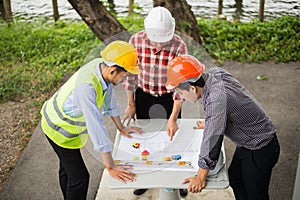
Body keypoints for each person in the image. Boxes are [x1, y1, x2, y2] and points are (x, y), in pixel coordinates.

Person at [166, 55, 280, 200]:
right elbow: (232, 104)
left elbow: (212, 140)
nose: (181, 97)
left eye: (181, 93)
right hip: (248, 142)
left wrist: (201, 176)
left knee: (256, 195)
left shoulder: (216, 100)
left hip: (260, 147)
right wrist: (212, 122)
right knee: (236, 179)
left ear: (193, 88)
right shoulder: (215, 73)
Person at [40, 41, 144, 200]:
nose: (125, 79)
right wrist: (110, 166)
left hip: (64, 126)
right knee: (80, 179)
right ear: (113, 70)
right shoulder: (87, 89)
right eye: (125, 75)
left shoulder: (100, 67)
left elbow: (109, 99)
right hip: (58, 129)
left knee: (68, 170)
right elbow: (96, 126)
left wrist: (121, 127)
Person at [122, 6, 188, 197]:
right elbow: (130, 76)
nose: (159, 46)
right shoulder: (135, 41)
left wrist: (174, 116)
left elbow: (181, 85)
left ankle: (179, 178)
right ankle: (146, 178)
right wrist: (131, 103)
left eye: (163, 41)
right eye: (155, 42)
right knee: (145, 138)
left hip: (169, 98)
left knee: (174, 138)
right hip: (143, 96)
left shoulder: (179, 46)